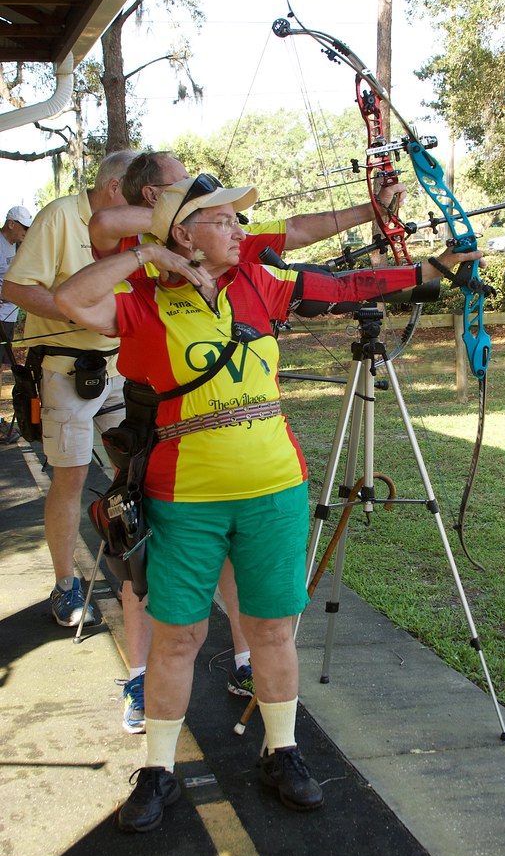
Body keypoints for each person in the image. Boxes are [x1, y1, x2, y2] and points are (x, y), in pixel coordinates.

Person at [54, 174, 482, 829]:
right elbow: (66, 299)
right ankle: (160, 770)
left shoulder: (261, 282)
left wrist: (432, 268)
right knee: (177, 639)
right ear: (182, 234)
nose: (238, 231)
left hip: (273, 494)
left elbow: (347, 288)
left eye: (235, 221)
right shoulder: (137, 302)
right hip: (183, 500)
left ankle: (281, 750)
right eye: (221, 221)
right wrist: (146, 257)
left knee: (273, 630)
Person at [87, 149, 409, 716]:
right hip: (174, 455)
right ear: (152, 200)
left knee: (262, 606)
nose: (236, 222)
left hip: (259, 471)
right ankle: (143, 685)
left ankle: (253, 681)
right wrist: (170, 233)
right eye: (180, 181)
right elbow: (100, 238)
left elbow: (306, 243)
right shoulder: (133, 254)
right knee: (166, 610)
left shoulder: (232, 250)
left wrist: (376, 215)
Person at [1, 152, 140, 634]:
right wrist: (79, 313)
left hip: (125, 367)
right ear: (113, 188)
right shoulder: (58, 216)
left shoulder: (135, 227)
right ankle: (66, 584)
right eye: (140, 190)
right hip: (66, 371)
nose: (150, 200)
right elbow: (15, 288)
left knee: (140, 467)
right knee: (71, 477)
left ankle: (140, 563)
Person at [0, 205, 33, 363]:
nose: (26, 232)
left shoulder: (16, 245)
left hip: (10, 314)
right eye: (24, 227)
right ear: (11, 224)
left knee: (3, 364)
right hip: (0, 315)